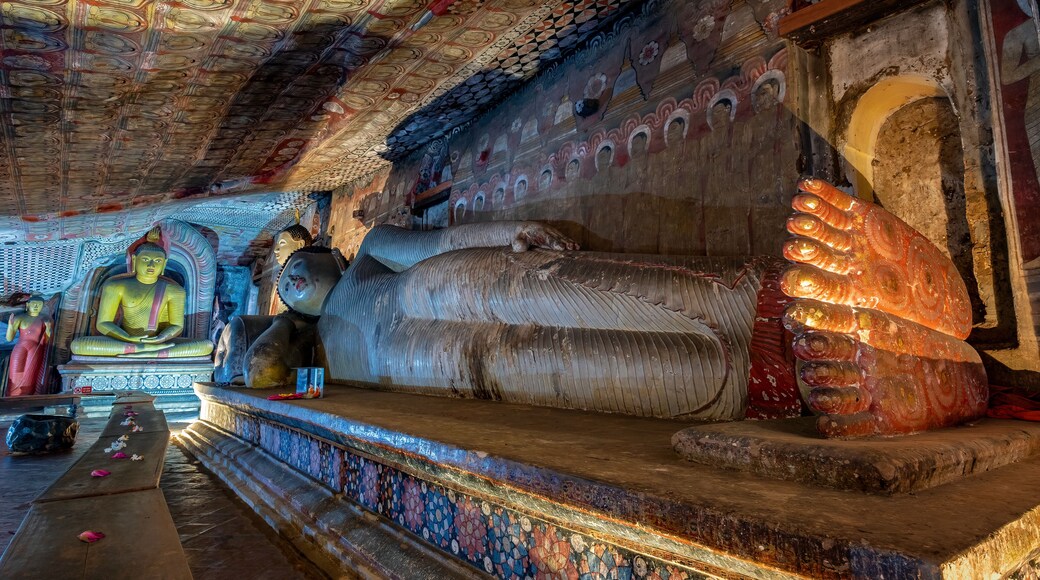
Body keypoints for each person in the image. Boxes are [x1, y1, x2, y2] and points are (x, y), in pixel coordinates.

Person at [252, 179, 987, 437]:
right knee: (562, 368)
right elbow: (255, 370)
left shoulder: (372, 247)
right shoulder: (314, 348)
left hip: (438, 285)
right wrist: (277, 334)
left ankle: (777, 303)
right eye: (283, 287)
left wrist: (511, 233)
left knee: (570, 292)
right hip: (423, 366)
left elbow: (439, 240)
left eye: (291, 267)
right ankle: (783, 380)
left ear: (325, 251)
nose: (288, 284)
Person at [70, 227, 214, 358]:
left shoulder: (175, 290)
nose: (151, 265)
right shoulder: (115, 286)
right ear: (134, 259)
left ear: (164, 264)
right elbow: (103, 323)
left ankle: (143, 350)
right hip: (125, 340)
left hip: (159, 341)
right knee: (78, 345)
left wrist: (161, 338)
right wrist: (128, 338)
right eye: (145, 259)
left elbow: (176, 325)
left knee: (206, 346)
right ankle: (143, 350)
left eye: (157, 261)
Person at [5, 294, 51, 396]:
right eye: (34, 304)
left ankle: (26, 396)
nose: (36, 306)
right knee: (15, 371)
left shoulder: (44, 319)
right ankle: (12, 395)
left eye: (39, 305)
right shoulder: (20, 318)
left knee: (30, 373)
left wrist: (48, 328)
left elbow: (47, 341)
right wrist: (10, 326)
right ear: (28, 305)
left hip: (35, 349)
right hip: (21, 347)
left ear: (42, 306)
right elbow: (9, 338)